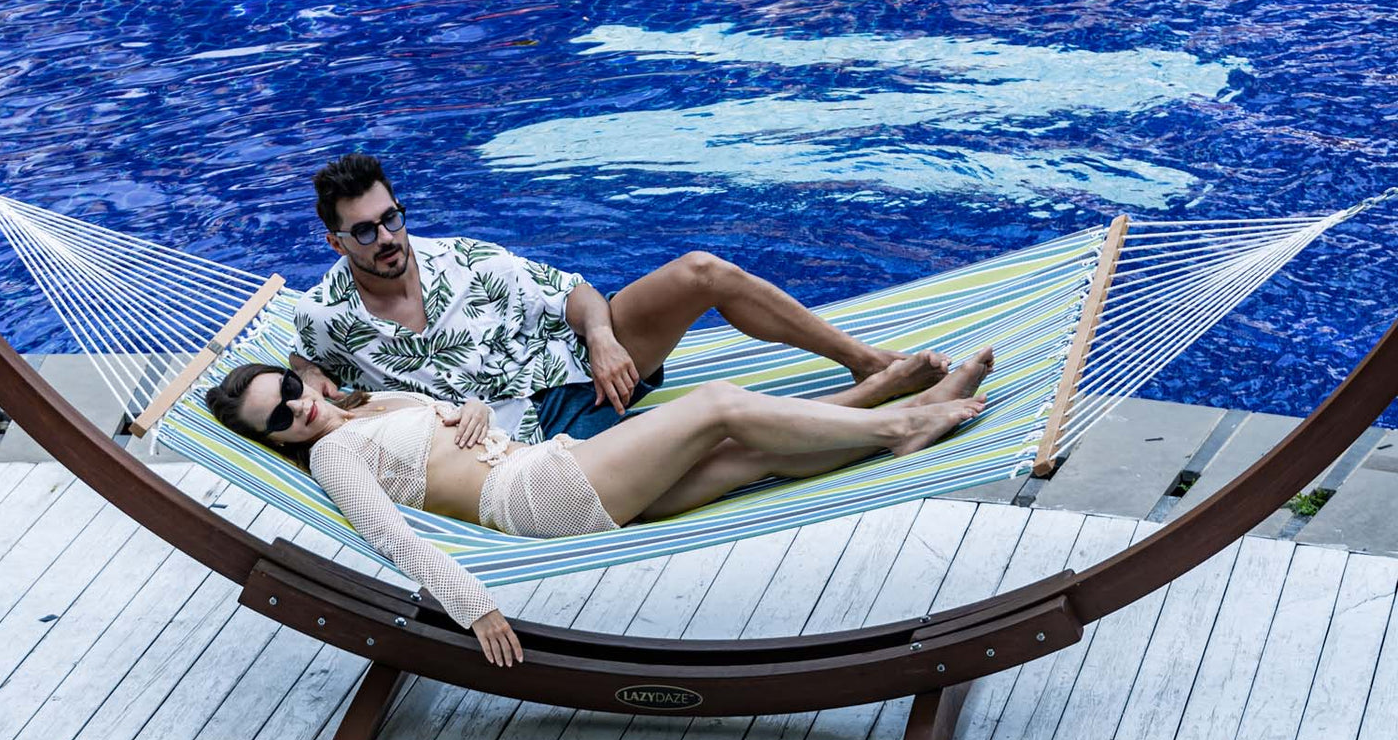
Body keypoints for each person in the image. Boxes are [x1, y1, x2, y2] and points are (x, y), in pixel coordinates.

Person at [205, 348, 995, 668]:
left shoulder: (371, 404)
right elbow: (392, 538)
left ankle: (901, 416)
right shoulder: (336, 455)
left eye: (291, 393)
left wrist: (472, 408)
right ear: (275, 442)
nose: (297, 412)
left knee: (744, 457)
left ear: (303, 380)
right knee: (717, 405)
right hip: (538, 497)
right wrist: (475, 610)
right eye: (276, 420)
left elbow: (456, 421)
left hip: (549, 466)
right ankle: (902, 421)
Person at [289, 153, 952, 450]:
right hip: (542, 436)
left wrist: (602, 338)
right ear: (335, 240)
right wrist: (310, 377)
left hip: (586, 363)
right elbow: (303, 365)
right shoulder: (325, 316)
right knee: (710, 426)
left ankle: (862, 361)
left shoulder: (463, 257)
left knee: (700, 271)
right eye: (366, 232)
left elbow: (572, 291)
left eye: (393, 218)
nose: (388, 239)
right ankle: (881, 413)